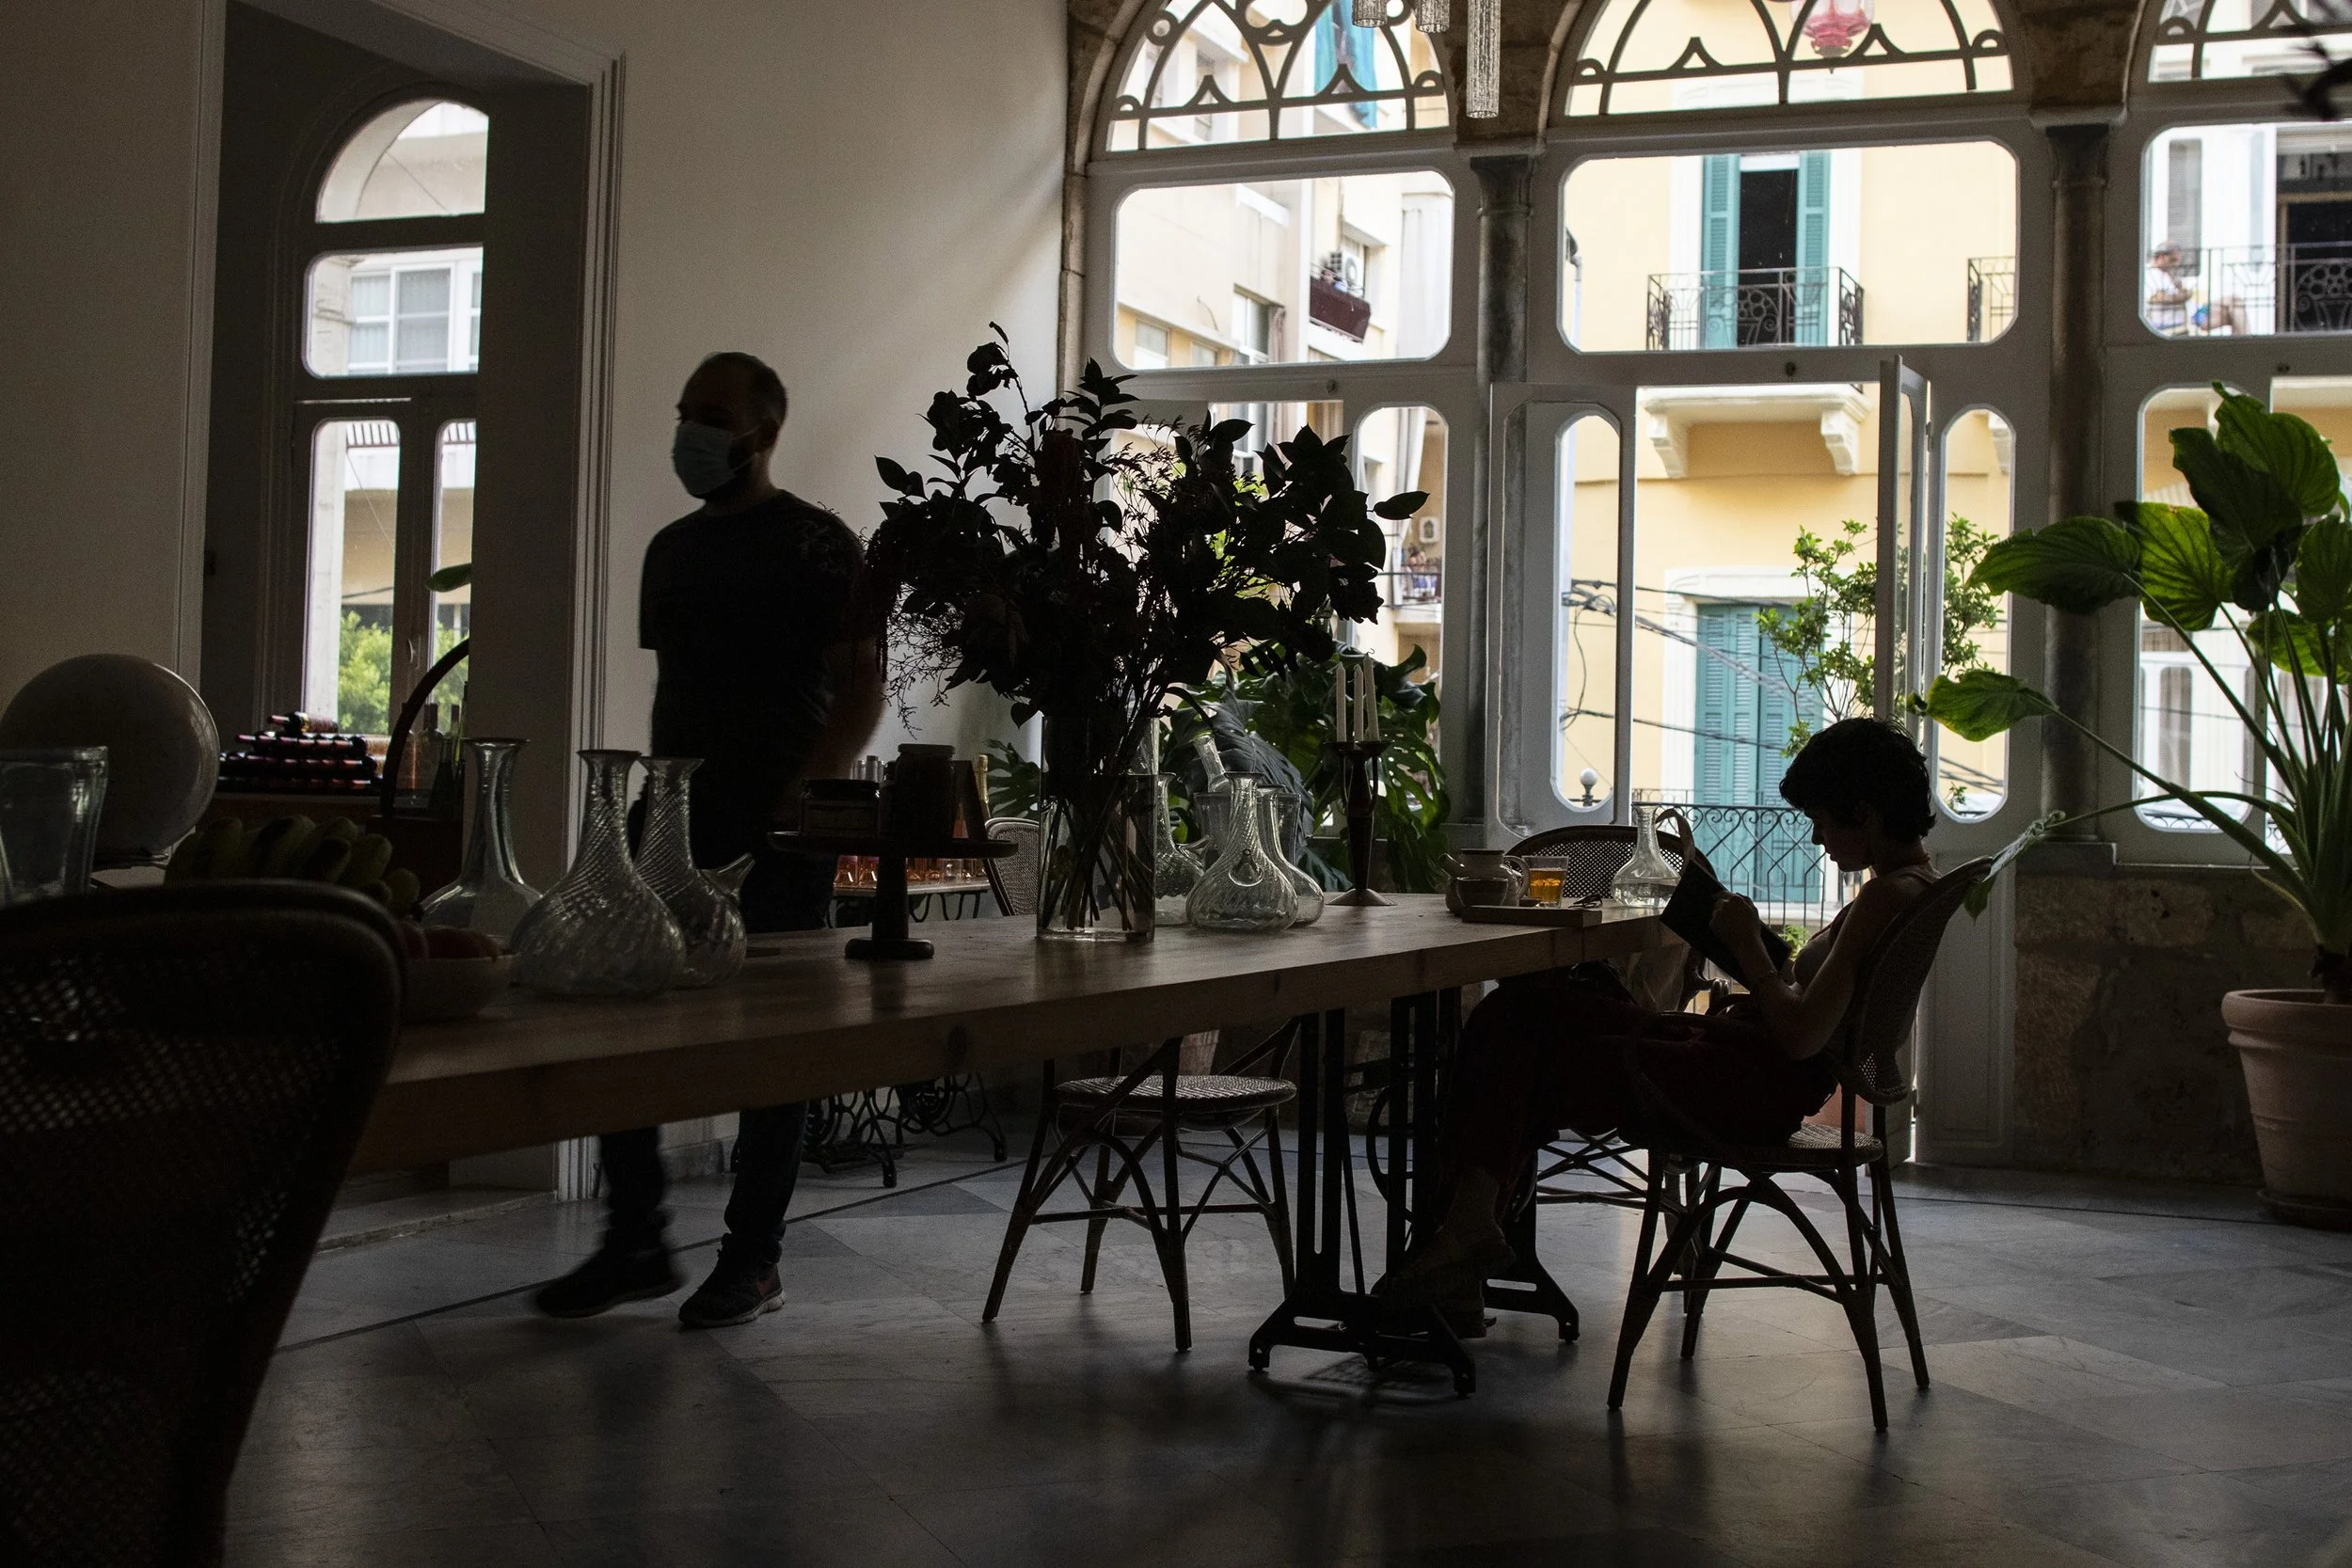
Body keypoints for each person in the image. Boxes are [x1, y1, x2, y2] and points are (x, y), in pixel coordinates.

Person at [1381, 719, 1942, 1331]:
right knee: (1544, 1005)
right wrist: (1753, 947)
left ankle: (1461, 1239)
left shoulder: (1884, 899)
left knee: (1514, 1023)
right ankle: (1466, 1239)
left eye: (1822, 819)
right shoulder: (1913, 886)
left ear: (1863, 814)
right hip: (1741, 1069)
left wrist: (1749, 952)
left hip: (1744, 1086)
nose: (1815, 837)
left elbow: (1802, 1035)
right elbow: (1814, 1009)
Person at [534, 350, 884, 1328]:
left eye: (713, 413)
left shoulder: (821, 547)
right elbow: (676, 690)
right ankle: (635, 1239)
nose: (692, 429)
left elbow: (859, 690)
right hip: (668, 819)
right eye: (687, 409)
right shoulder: (671, 551)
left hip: (779, 824)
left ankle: (753, 1258)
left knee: (776, 1049)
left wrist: (801, 794)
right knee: (617, 1019)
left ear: (764, 431)